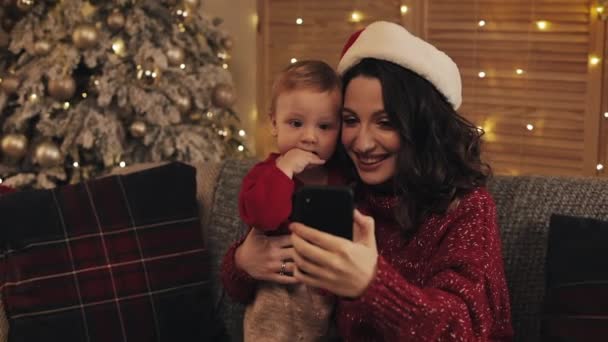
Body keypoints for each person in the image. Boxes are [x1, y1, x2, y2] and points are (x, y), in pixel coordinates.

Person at [222, 21, 513, 341]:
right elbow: (244, 287)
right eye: (349, 120)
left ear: (421, 126)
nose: (362, 143)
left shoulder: (466, 209)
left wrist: (372, 284)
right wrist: (243, 263)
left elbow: (463, 330)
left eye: (385, 122)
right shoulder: (343, 188)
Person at [232, 60, 345, 341]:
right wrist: (285, 170)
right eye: (296, 123)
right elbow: (263, 216)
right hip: (274, 303)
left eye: (324, 126)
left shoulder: (343, 179)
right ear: (273, 123)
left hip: (326, 302)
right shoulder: (264, 175)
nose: (309, 137)